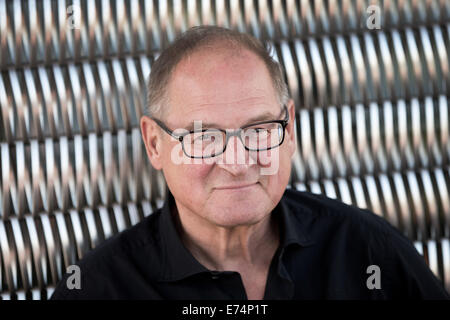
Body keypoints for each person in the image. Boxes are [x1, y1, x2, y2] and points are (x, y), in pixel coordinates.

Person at [51, 26, 449, 300]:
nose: (238, 162)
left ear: (289, 130)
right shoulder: (98, 289)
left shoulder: (368, 252)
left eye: (258, 130)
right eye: (203, 137)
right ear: (154, 145)